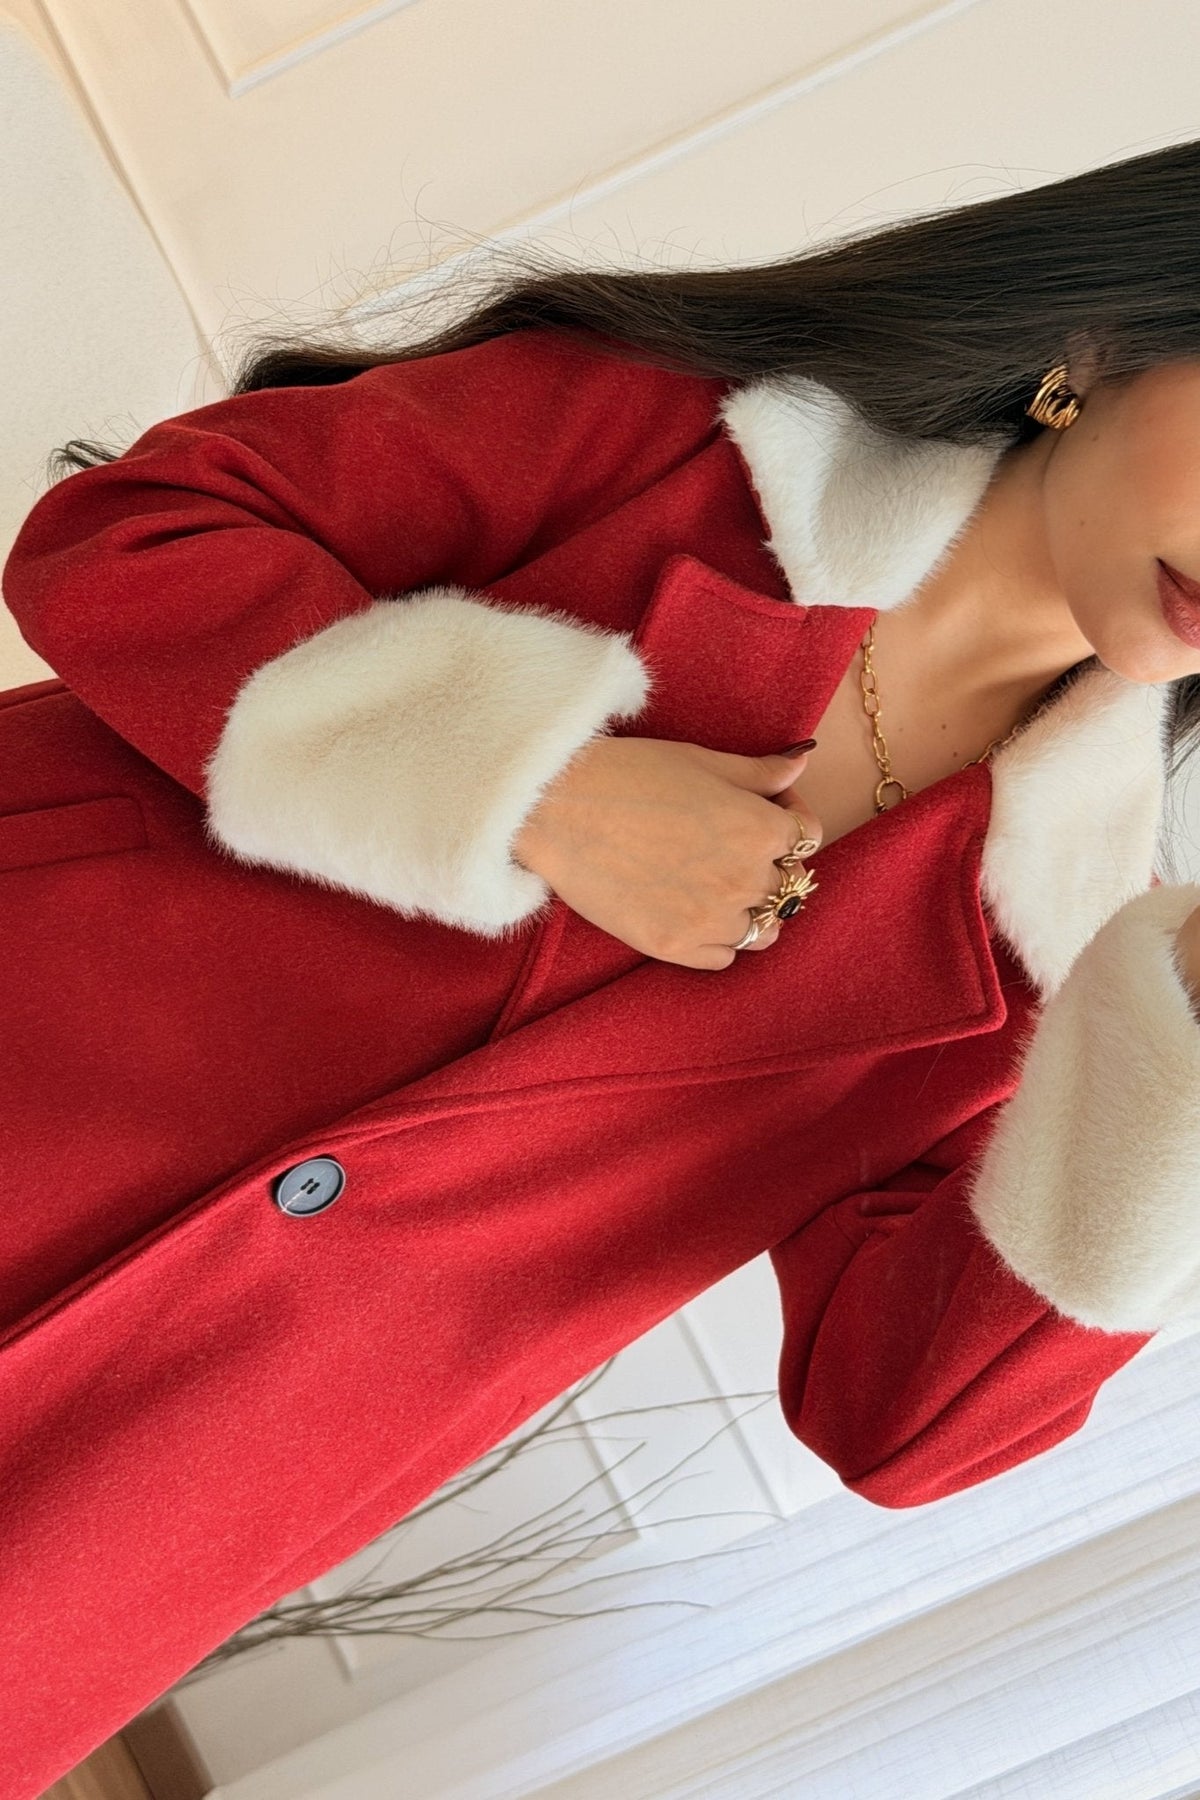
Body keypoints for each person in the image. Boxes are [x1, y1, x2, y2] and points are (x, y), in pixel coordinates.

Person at [4, 135, 1200, 1794]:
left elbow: (902, 1422)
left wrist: (1176, 1065)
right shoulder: (688, 437)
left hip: (135, 1478)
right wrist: (539, 788)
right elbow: (131, 538)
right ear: (1109, 335)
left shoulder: (1059, 960)